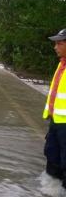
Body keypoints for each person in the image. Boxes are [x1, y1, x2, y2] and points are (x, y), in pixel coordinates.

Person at [43, 28, 66, 187]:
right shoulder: (62, 64)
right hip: (56, 122)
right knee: (52, 157)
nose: (55, 47)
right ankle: (51, 193)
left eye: (59, 43)